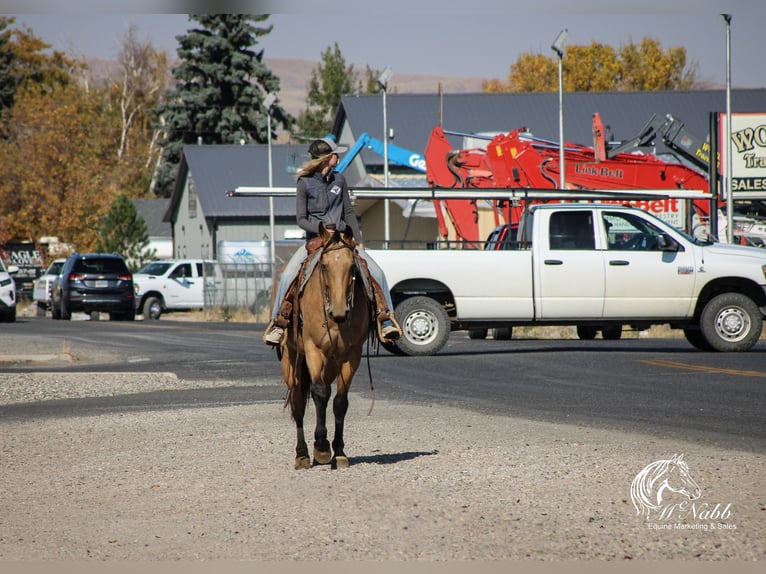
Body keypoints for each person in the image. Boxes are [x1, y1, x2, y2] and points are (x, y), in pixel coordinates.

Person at [263, 136, 402, 346]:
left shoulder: (340, 180)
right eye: (335, 153)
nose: (338, 156)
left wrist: (359, 239)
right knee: (287, 276)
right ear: (327, 158)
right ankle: (278, 324)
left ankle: (386, 320)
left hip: (344, 242)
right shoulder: (304, 183)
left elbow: (348, 211)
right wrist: (320, 230)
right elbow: (301, 219)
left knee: (377, 273)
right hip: (316, 242)